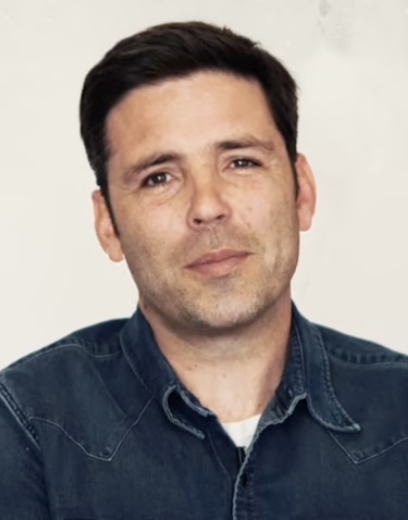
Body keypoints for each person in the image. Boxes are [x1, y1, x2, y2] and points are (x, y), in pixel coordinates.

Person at [0, 20, 407, 520]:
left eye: (241, 162)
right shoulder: (25, 425)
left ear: (302, 192)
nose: (208, 207)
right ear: (108, 225)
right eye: (159, 177)